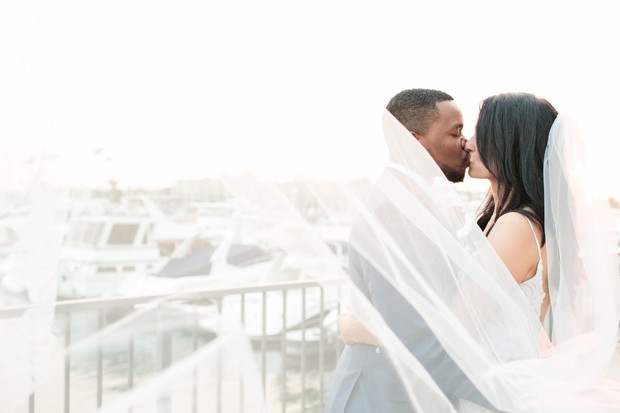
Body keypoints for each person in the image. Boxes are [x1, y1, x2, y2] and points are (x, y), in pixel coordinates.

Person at [334, 92, 620, 412]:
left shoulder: (516, 226)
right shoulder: (504, 219)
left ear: (507, 143)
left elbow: (455, 326)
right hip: (486, 379)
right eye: (460, 134)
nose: (468, 143)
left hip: (491, 383)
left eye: (478, 134)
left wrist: (357, 327)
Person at [324, 88, 498, 413]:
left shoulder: (420, 203)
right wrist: (517, 396)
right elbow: (416, 340)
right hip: (382, 397)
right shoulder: (392, 211)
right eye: (455, 132)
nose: (466, 143)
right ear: (415, 142)